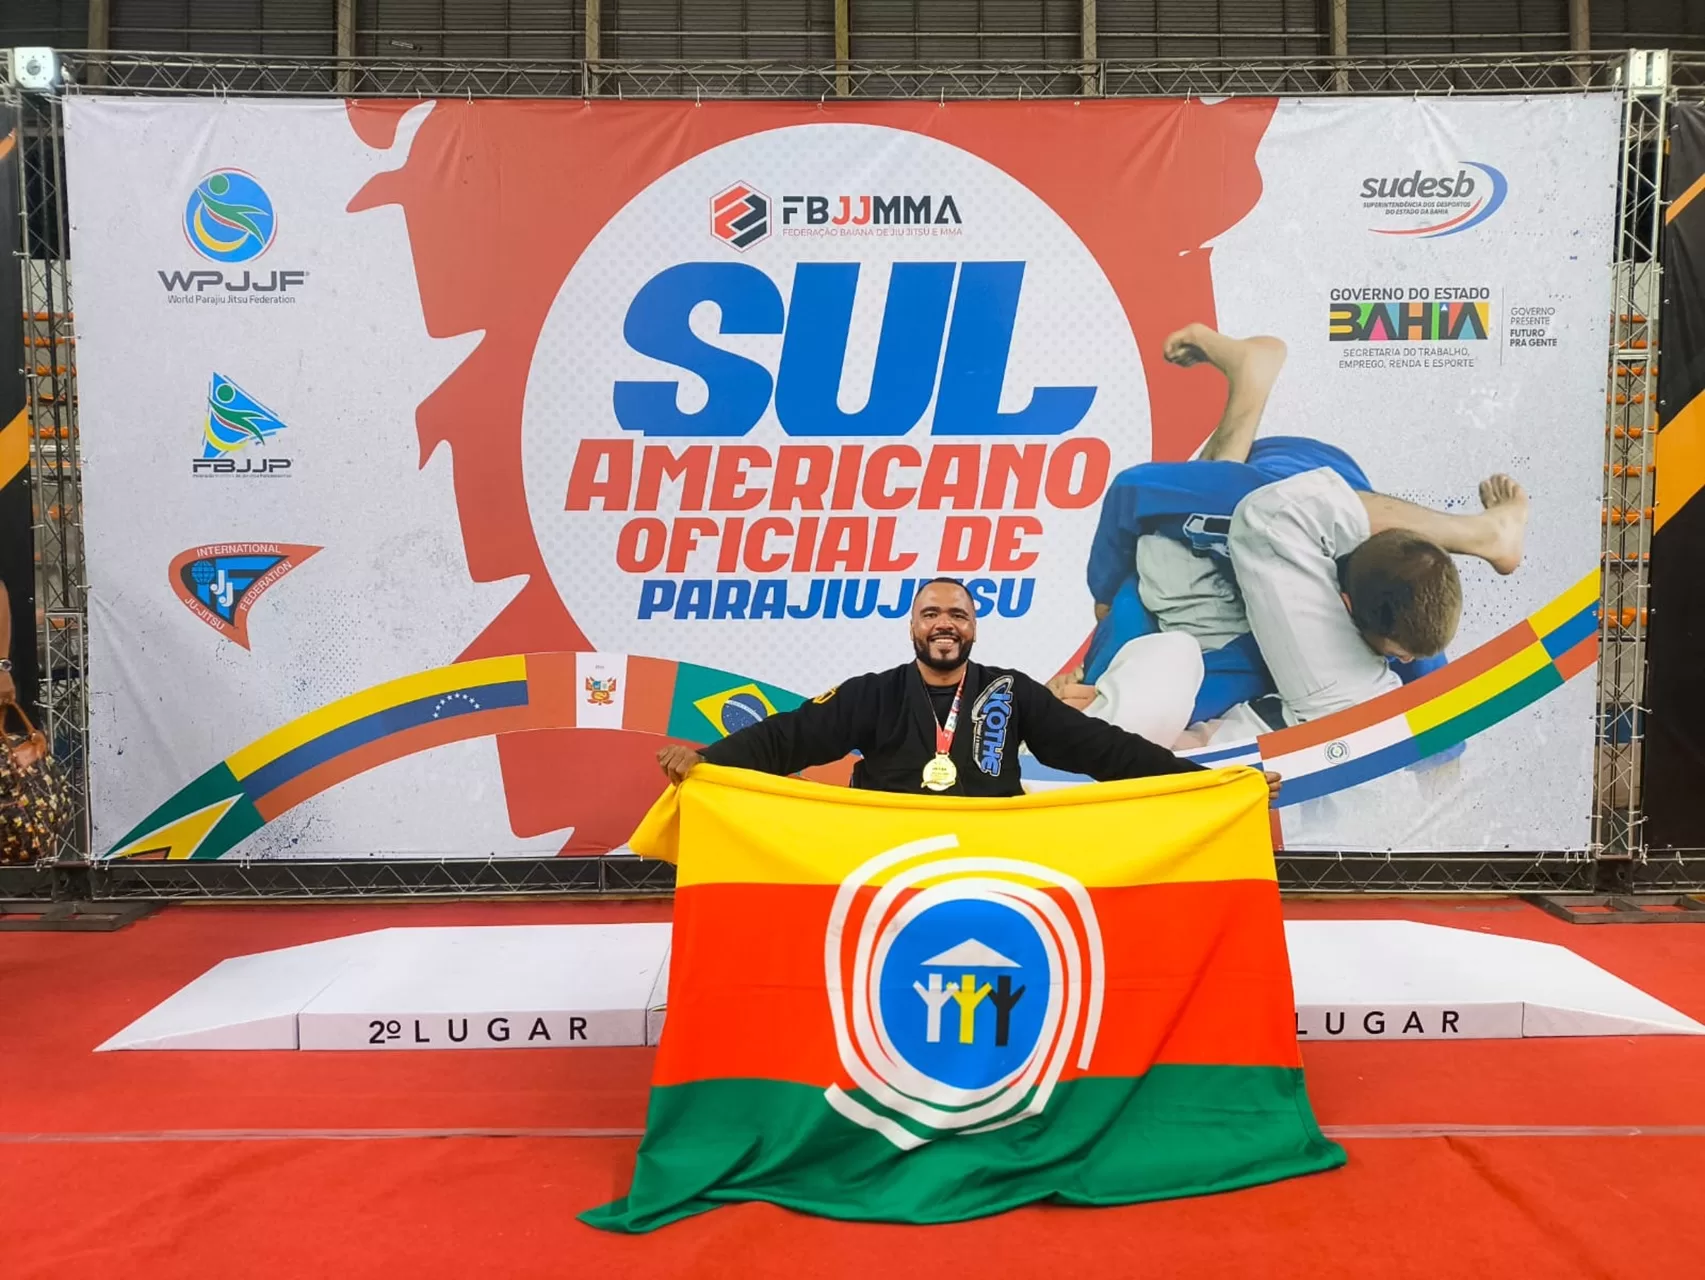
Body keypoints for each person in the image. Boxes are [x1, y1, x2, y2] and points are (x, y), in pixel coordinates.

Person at [1054, 323, 1528, 744]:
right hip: (1268, 479)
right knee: (1179, 542)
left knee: (1235, 592)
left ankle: (1251, 374)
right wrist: (1103, 625)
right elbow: (1131, 491)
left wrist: (1442, 755)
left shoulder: (1395, 601)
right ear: (1343, 604)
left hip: (1340, 495)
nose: (1399, 661)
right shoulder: (1259, 513)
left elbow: (1426, 678)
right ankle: (1250, 381)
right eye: (1397, 654)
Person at [655, 577, 1283, 803]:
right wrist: (708, 760)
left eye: (957, 614)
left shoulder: (1012, 692)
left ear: (973, 628)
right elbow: (789, 737)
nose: (944, 624)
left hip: (987, 857)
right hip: (884, 855)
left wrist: (1206, 782)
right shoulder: (871, 694)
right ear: (913, 627)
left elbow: (1105, 750)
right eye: (931, 614)